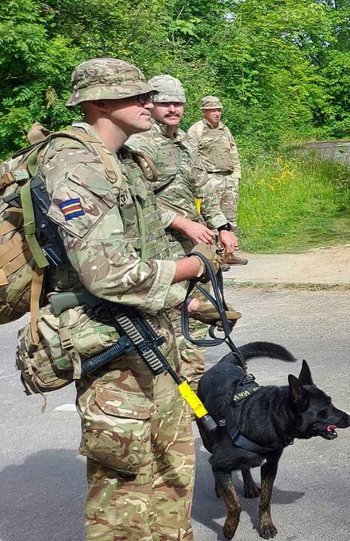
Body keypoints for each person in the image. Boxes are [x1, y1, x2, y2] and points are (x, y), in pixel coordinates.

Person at [39, 57, 216, 540]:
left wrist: (184, 236)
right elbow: (108, 274)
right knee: (125, 485)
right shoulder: (75, 165)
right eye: (137, 96)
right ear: (98, 101)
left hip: (154, 339)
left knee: (173, 468)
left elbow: (143, 221)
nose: (150, 103)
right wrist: (193, 267)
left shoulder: (123, 160)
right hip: (112, 345)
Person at [127, 74, 239, 384]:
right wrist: (182, 223)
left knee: (199, 320)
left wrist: (223, 226)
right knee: (171, 324)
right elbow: (138, 201)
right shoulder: (139, 144)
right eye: (165, 103)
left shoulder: (185, 143)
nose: (172, 108)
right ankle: (175, 392)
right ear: (151, 104)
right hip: (159, 246)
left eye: (178, 103)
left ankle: (191, 394)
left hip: (193, 245)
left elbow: (203, 188)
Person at [187, 95, 247, 265]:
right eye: (213, 110)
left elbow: (233, 152)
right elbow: (191, 156)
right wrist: (200, 180)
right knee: (212, 220)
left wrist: (236, 175)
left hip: (228, 179)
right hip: (210, 180)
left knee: (230, 220)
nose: (217, 113)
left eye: (219, 110)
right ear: (204, 112)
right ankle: (215, 257)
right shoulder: (197, 130)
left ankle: (230, 253)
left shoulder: (225, 129)